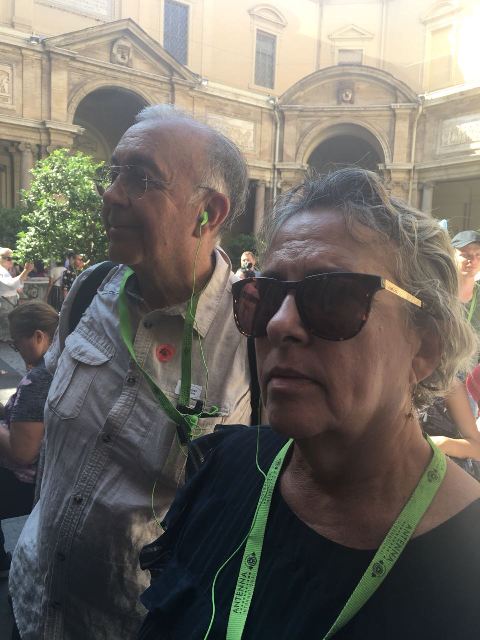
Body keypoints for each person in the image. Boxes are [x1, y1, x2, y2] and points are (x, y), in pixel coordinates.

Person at [139, 168, 480, 639]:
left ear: (424, 347)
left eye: (334, 297)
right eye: (265, 296)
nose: (280, 324)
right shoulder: (224, 468)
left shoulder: (468, 563)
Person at [9, 105, 252, 639]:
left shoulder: (252, 346)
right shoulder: (90, 289)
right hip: (32, 601)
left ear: (208, 212)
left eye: (140, 178)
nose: (112, 194)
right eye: (114, 172)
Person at [0, 301, 58, 578]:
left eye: (16, 343)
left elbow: (21, 453)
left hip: (29, 481)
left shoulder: (38, 380)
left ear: (38, 336)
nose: (16, 349)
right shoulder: (61, 364)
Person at [0, 249, 33, 341]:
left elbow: (16, 285)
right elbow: (12, 285)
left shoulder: (4, 271)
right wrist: (26, 270)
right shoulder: (1, 271)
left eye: (13, 258)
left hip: (8, 302)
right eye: (9, 258)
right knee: (6, 334)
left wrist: (26, 272)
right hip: (5, 303)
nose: (12, 261)